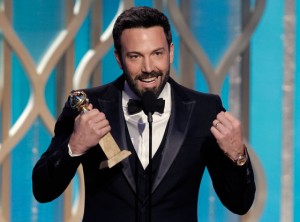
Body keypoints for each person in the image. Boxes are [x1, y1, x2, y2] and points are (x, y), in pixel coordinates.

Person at [32, 6, 256, 222]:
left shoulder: (205, 109)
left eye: (157, 53)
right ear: (119, 59)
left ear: (171, 52)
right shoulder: (86, 106)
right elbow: (43, 191)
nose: (148, 67)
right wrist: (74, 147)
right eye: (135, 56)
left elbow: (240, 203)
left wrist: (238, 157)